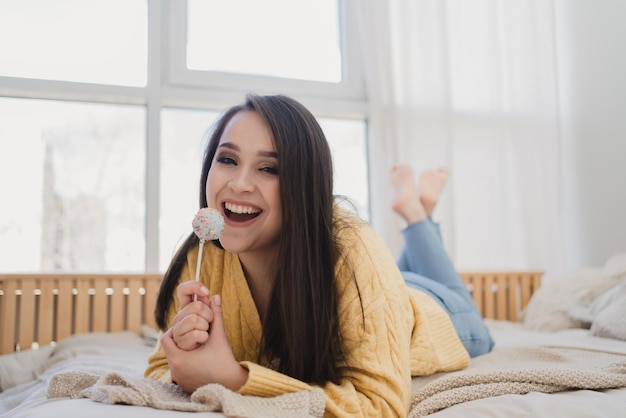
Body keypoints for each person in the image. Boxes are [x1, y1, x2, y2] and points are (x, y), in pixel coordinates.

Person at [144, 93, 477, 417]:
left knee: (450, 293)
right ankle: (422, 208)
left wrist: (234, 379)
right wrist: (182, 364)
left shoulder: (352, 244)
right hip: (380, 289)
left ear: (302, 185)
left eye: (269, 168)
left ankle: (418, 215)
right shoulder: (202, 253)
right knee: (390, 278)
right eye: (228, 160)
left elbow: (381, 406)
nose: (240, 183)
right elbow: (160, 368)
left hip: (441, 312)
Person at [390, 165, 494, 358]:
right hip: (397, 289)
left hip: (395, 291)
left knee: (404, 284)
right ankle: (419, 215)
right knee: (483, 335)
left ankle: (419, 215)